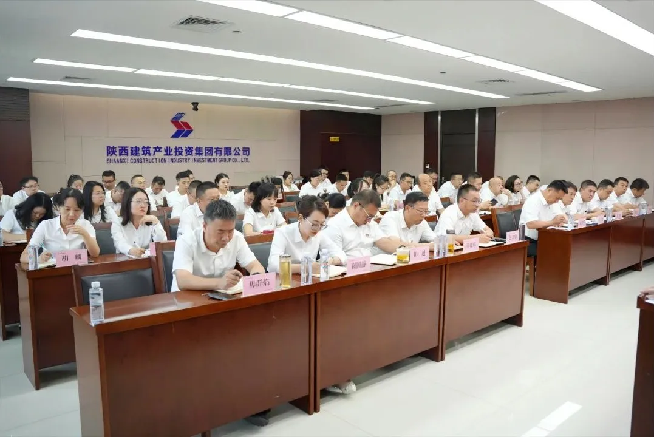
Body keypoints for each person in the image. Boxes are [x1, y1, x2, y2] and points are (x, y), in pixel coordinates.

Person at [171, 198, 265, 291]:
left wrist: (256, 278)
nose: (226, 238)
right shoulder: (186, 241)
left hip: (222, 296)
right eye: (220, 231)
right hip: (188, 298)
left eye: (230, 231)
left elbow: (255, 266)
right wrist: (219, 283)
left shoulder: (237, 237)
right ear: (204, 226)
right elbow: (183, 280)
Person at [268, 195, 346, 274]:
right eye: (314, 224)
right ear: (301, 218)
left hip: (310, 278)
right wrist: (306, 267)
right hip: (287, 278)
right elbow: (273, 266)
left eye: (322, 224)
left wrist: (330, 261)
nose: (318, 228)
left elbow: (342, 255)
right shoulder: (282, 233)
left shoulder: (319, 233)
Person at [20, 188, 100, 264]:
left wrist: (85, 235)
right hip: (54, 270)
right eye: (67, 209)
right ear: (58, 207)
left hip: (78, 269)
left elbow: (95, 254)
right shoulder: (46, 226)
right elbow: (24, 257)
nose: (71, 214)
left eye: (76, 210)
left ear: (82, 210)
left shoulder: (85, 225)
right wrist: (38, 259)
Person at [324, 189, 398, 257]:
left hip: (371, 263)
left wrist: (403, 250)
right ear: (356, 206)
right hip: (349, 265)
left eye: (372, 217)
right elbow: (335, 259)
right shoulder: (335, 225)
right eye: (368, 216)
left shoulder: (370, 223)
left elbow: (384, 242)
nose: (369, 221)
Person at [111, 188, 167, 257]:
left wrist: (156, 223)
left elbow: (161, 243)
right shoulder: (117, 221)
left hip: (148, 259)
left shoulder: (151, 220)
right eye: (138, 201)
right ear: (128, 203)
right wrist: (130, 250)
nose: (143, 205)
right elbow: (119, 243)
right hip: (125, 259)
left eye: (146, 202)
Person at [519, 180, 569, 258]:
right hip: (528, 240)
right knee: (552, 253)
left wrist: (562, 220)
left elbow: (561, 215)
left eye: (559, 199)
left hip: (545, 238)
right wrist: (553, 222)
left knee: (564, 249)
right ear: (549, 190)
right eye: (557, 198)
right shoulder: (533, 200)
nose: (557, 201)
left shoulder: (553, 202)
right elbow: (531, 224)